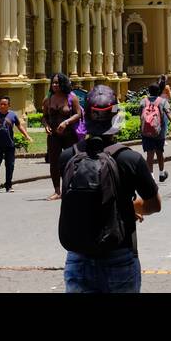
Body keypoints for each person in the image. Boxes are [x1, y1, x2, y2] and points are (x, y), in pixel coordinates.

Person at [58, 84, 160, 293]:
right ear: (116, 117)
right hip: (119, 255)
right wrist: (133, 208)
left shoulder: (68, 156)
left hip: (78, 258)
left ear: (85, 116)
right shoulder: (130, 159)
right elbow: (154, 204)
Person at [43, 73, 83, 199]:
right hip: (54, 136)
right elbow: (44, 116)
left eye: (57, 83)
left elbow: (78, 114)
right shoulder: (48, 99)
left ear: (63, 83)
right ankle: (57, 191)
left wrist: (66, 122)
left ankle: (72, 187)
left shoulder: (72, 97)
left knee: (72, 161)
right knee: (54, 162)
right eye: (53, 83)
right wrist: (46, 125)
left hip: (69, 135)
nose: (55, 85)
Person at [0, 96, 31, 192]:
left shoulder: (13, 115)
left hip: (9, 145)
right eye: (0, 104)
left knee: (10, 165)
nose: (2, 106)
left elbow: (19, 126)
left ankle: (8, 185)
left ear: (9, 106)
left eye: (4, 104)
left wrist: (26, 135)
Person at [140, 83, 171, 183]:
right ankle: (162, 173)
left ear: (148, 91)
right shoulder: (162, 101)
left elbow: (140, 115)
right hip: (159, 131)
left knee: (150, 154)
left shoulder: (143, 101)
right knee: (159, 152)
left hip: (146, 131)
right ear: (159, 91)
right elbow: (168, 112)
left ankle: (151, 176)